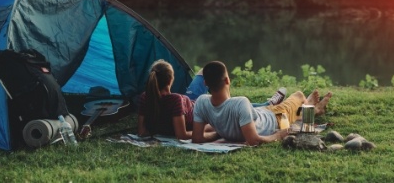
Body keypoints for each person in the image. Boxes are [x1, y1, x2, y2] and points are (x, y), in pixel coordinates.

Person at [137, 60, 286, 140]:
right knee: (224, 99)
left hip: (188, 103)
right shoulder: (175, 100)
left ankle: (264, 103)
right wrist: (216, 132)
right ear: (171, 80)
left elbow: (142, 132)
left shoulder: (146, 97)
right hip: (197, 106)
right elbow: (181, 134)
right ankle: (268, 104)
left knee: (206, 70)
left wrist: (158, 129)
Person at [192, 61, 332, 146]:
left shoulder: (201, 102)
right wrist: (279, 135)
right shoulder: (240, 103)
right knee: (299, 95)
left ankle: (308, 111)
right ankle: (314, 110)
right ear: (228, 80)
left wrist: (220, 133)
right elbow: (254, 141)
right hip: (276, 118)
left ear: (205, 83)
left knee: (286, 112)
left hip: (263, 113)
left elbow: (197, 138)